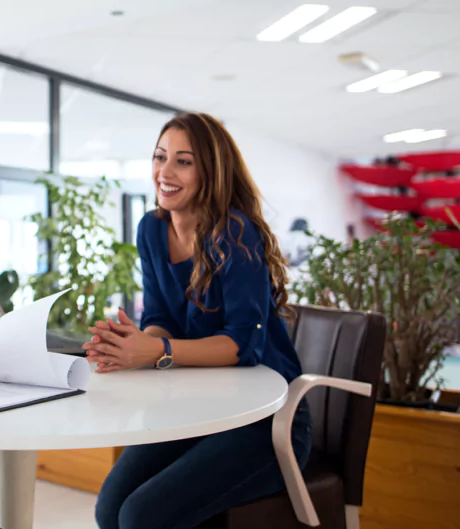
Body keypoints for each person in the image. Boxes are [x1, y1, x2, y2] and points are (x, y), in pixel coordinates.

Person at [83, 112, 312, 529]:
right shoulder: (151, 229)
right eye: (159, 157)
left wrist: (156, 350)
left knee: (141, 516)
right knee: (109, 507)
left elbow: (244, 345)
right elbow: (159, 317)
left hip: (267, 420)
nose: (164, 172)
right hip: (199, 408)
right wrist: (135, 344)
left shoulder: (236, 233)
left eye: (183, 161)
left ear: (210, 171)